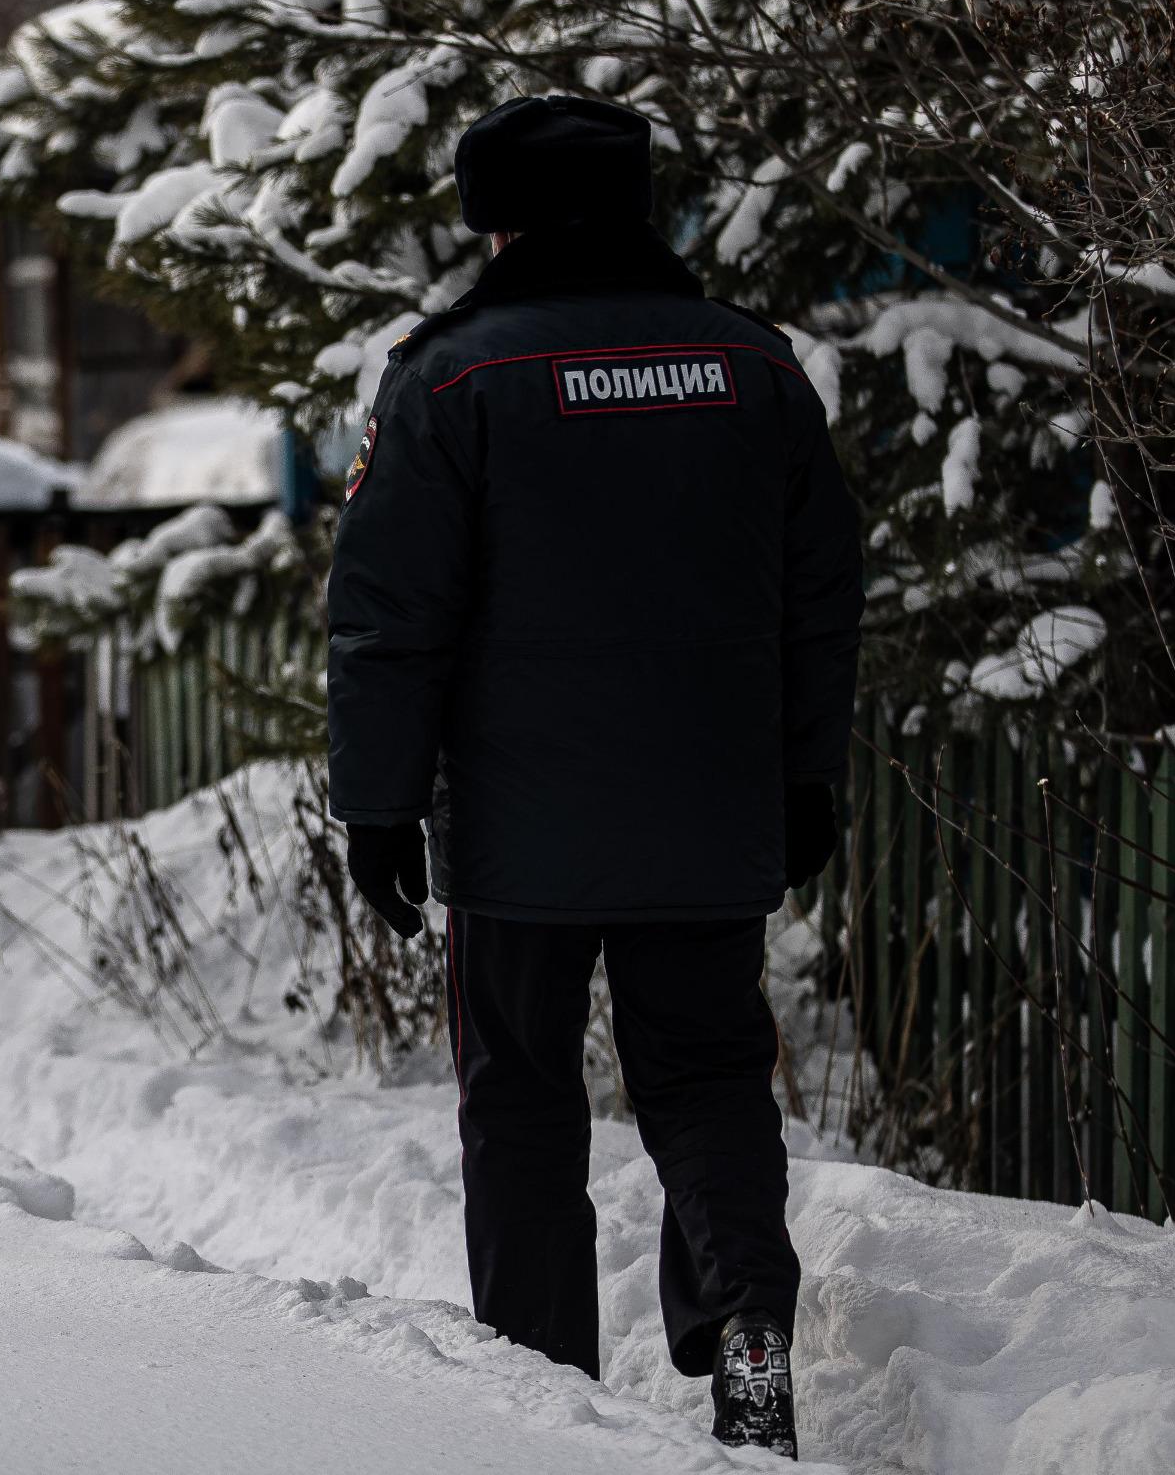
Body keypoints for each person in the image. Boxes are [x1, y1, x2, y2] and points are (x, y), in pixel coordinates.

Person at [324, 94, 862, 1459]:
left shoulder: (450, 378)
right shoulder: (755, 368)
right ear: (640, 206)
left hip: (517, 823)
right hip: (707, 800)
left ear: (492, 221)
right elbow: (819, 599)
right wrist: (805, 779)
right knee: (704, 1075)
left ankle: (538, 1387)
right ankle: (745, 1313)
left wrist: (378, 804)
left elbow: (393, 610)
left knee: (520, 1094)